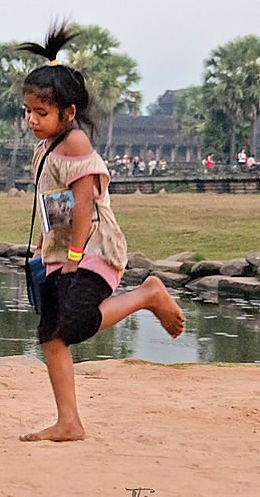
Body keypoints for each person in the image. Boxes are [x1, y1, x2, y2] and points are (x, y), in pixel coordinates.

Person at [16, 24, 185, 442]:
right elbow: (55, 201)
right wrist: (46, 247)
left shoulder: (73, 143)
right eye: (28, 112)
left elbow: (84, 202)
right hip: (62, 247)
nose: (32, 120)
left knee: (71, 325)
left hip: (92, 247)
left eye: (42, 113)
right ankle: (69, 422)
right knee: (51, 336)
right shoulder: (48, 144)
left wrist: (73, 256)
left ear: (68, 113)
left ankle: (148, 294)